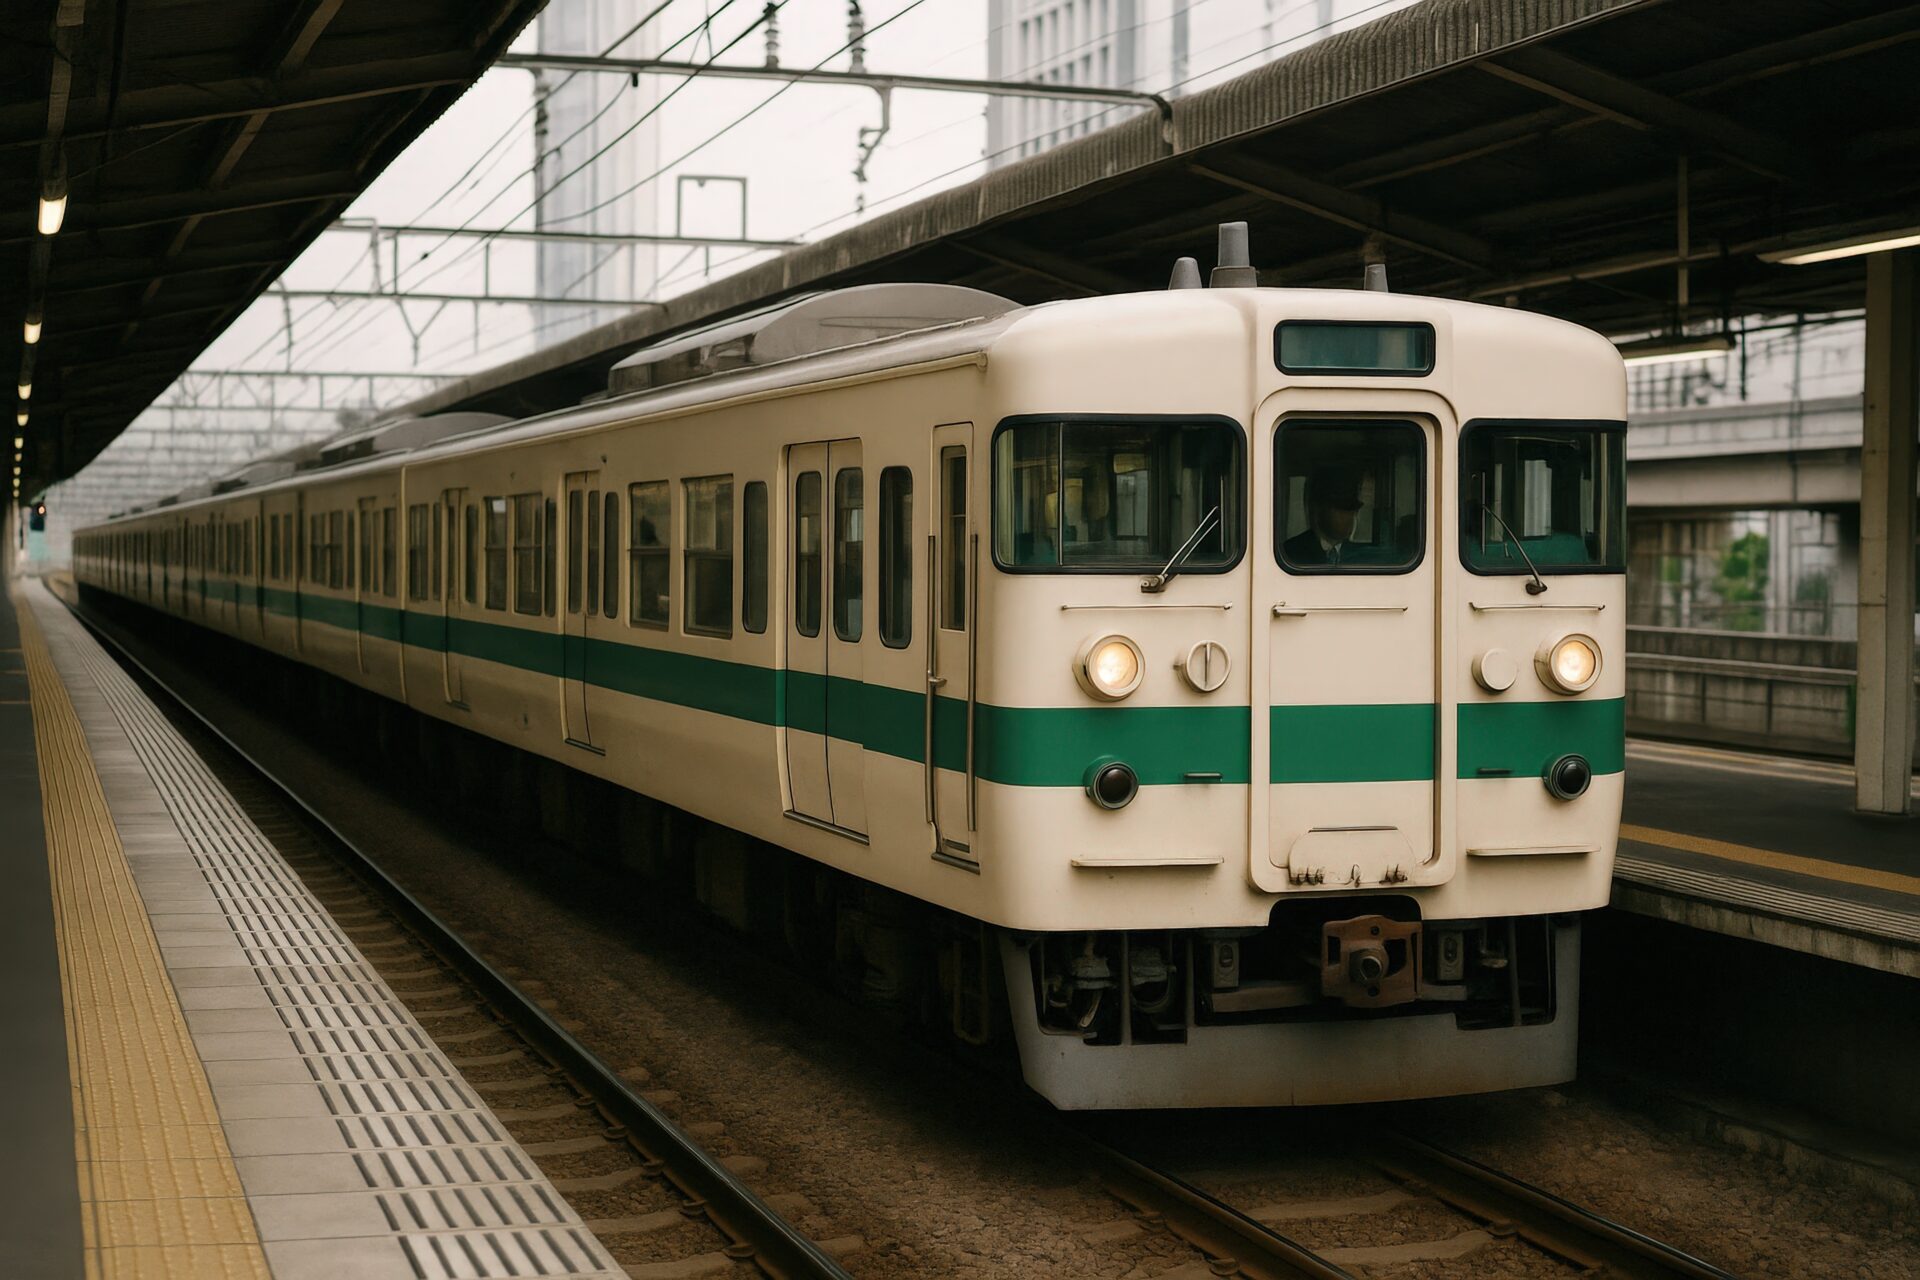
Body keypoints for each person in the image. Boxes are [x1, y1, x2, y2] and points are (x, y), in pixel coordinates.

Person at [1282, 464, 1365, 567]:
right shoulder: (1290, 553)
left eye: (1352, 510)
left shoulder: (1361, 556)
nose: (1349, 517)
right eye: (1340, 509)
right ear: (1320, 509)